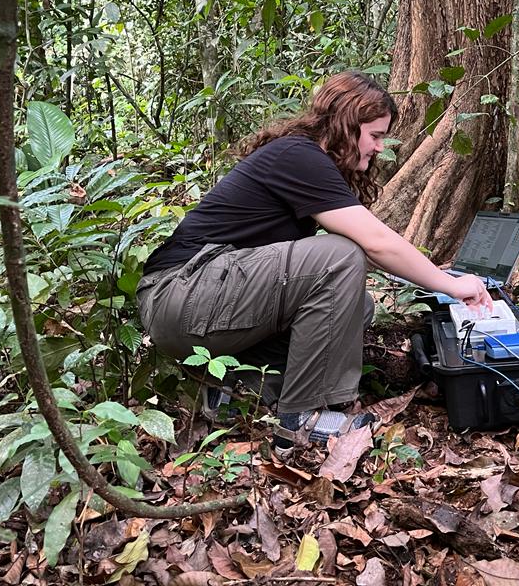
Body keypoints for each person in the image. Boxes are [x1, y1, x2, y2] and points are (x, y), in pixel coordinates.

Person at [135, 71, 492, 453]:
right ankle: (304, 416)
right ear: (346, 124)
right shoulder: (298, 154)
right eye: (374, 135)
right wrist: (451, 284)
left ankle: (241, 390)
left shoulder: (303, 158)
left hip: (194, 303)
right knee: (341, 255)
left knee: (358, 304)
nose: (379, 147)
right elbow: (374, 243)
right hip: (180, 295)